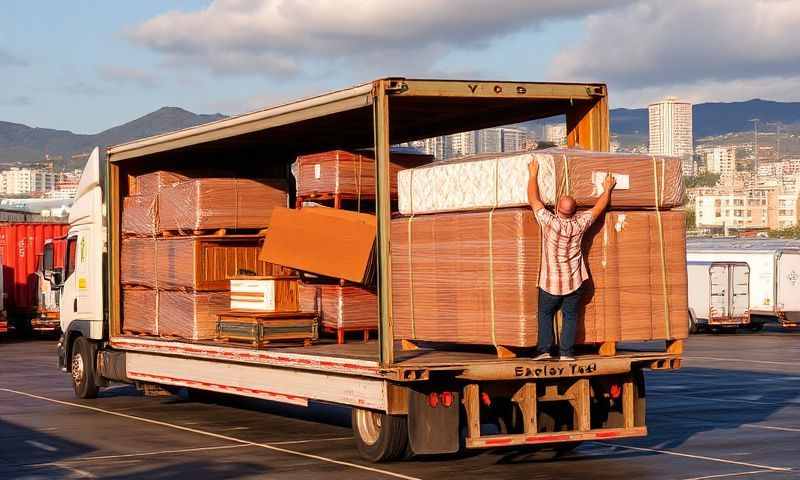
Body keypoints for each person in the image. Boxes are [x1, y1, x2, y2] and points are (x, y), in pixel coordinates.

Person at [527, 160, 616, 361]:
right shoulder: (579, 224)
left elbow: (534, 199)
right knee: (571, 317)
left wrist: (533, 174)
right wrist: (607, 189)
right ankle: (566, 353)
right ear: (574, 211)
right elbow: (598, 209)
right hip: (574, 283)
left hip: (550, 284)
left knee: (545, 315)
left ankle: (544, 350)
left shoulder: (549, 223)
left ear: (557, 208)